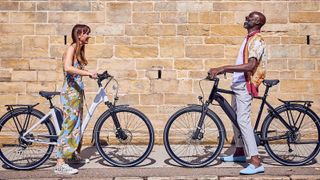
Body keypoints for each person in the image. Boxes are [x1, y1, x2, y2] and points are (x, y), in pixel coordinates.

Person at [208, 11, 267, 175]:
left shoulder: (257, 40)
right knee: (235, 118)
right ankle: (240, 152)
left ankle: (256, 162)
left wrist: (223, 68)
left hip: (245, 85)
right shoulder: (248, 38)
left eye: (250, 17)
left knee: (243, 120)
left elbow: (250, 66)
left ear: (256, 22)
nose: (246, 19)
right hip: (238, 84)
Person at [54, 24, 98, 175]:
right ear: (79, 35)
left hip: (76, 94)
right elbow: (67, 67)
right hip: (70, 94)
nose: (89, 36)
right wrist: (87, 73)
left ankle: (71, 155)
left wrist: (91, 74)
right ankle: (60, 162)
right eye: (87, 34)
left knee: (76, 126)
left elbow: (76, 71)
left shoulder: (78, 50)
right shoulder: (72, 48)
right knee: (69, 126)